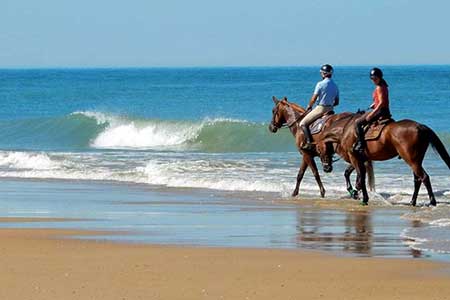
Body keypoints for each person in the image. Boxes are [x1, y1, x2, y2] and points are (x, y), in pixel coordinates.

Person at [299, 64, 340, 151]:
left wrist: (309, 106)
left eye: (321, 73)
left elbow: (314, 98)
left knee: (302, 123)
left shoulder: (320, 84)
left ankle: (309, 143)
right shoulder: (335, 85)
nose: (321, 74)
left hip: (321, 108)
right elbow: (337, 102)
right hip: (331, 109)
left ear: (324, 74)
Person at [353, 67, 391, 153]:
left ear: (379, 77)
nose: (373, 80)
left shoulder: (379, 87)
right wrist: (373, 104)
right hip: (383, 109)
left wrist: (372, 113)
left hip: (380, 111)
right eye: (372, 79)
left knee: (358, 123)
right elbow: (381, 100)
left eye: (375, 78)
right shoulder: (383, 85)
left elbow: (381, 103)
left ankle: (361, 144)